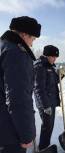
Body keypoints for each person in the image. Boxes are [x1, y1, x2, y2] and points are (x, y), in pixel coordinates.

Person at [0, 16, 41, 153]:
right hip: (10, 132)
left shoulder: (3, 47)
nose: (31, 44)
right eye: (32, 39)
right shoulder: (17, 54)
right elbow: (18, 98)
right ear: (24, 34)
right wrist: (26, 135)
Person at [34, 45, 60, 150]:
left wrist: (60, 75)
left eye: (56, 57)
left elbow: (53, 82)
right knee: (47, 126)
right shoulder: (40, 66)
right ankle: (43, 148)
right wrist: (45, 106)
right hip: (45, 103)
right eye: (53, 56)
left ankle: (46, 145)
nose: (55, 59)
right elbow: (38, 88)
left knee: (50, 126)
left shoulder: (50, 66)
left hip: (51, 101)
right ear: (47, 55)